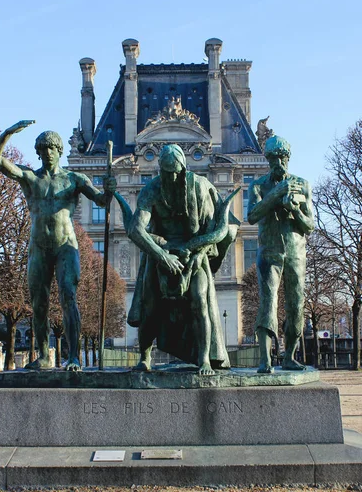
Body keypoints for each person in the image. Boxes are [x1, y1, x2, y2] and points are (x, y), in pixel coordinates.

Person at [0, 120, 116, 371]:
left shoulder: (74, 179)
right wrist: (8, 133)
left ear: (59, 151)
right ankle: (45, 355)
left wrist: (109, 189)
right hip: (39, 247)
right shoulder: (30, 177)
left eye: (51, 149)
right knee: (39, 303)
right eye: (42, 150)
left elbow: (102, 201)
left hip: (66, 245)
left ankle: (75, 357)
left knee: (69, 296)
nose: (46, 154)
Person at [115, 144, 239, 375]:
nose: (169, 178)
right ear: (159, 170)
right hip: (160, 252)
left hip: (193, 253)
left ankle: (203, 359)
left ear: (182, 170)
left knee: (199, 301)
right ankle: (145, 356)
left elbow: (216, 231)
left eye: (174, 173)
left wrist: (197, 254)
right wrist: (161, 255)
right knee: (149, 306)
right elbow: (135, 229)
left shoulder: (201, 188)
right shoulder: (152, 190)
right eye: (164, 172)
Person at [247, 135, 314, 373]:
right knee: (268, 303)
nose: (279, 162)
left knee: (296, 305)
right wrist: (275, 195)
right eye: (274, 158)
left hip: (296, 253)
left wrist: (294, 209)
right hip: (269, 252)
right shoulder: (258, 186)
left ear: (288, 158)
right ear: (268, 160)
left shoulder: (303, 185)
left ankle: (290, 356)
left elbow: (309, 225)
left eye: (283, 157)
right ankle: (265, 359)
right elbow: (252, 215)